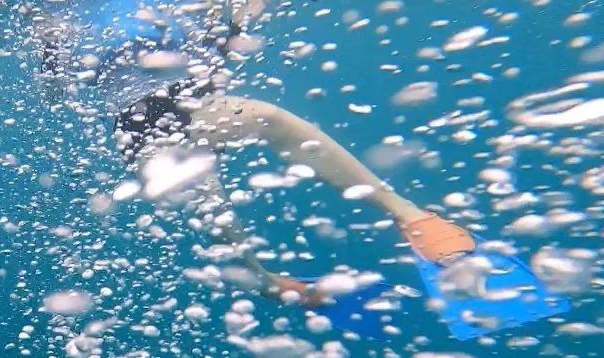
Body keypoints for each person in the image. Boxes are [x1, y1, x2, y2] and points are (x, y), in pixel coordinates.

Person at [32, 0, 569, 340]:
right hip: (139, 116)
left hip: (186, 89)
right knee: (220, 197)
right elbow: (56, 79)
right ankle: (274, 282)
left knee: (268, 125)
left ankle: (408, 219)